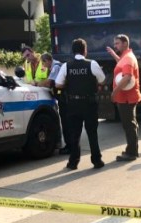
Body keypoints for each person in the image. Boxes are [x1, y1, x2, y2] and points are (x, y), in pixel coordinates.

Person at [55, 38, 106, 170]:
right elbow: (103, 79)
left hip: (73, 104)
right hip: (89, 103)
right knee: (92, 133)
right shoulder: (92, 64)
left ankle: (73, 162)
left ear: (72, 51)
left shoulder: (66, 66)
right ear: (85, 50)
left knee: (74, 135)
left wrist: (70, 83)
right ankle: (96, 160)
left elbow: (58, 84)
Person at [107, 34, 141, 162]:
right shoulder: (126, 57)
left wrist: (114, 92)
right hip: (127, 97)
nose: (115, 45)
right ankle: (131, 149)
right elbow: (121, 64)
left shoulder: (127, 59)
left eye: (117, 43)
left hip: (126, 98)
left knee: (129, 125)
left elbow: (127, 77)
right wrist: (113, 54)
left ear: (125, 44)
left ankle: (131, 152)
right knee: (131, 124)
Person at [42, 52, 70, 154]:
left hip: (64, 98)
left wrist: (36, 84)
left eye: (44, 63)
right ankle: (70, 145)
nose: (43, 65)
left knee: (66, 122)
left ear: (48, 60)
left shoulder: (56, 67)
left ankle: (69, 146)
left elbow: (49, 82)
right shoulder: (56, 65)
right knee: (66, 122)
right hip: (64, 97)